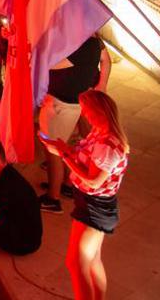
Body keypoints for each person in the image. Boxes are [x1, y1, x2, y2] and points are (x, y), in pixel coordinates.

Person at [42, 90, 129, 300]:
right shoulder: (99, 131)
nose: (85, 115)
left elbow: (93, 180)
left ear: (99, 112)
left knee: (76, 262)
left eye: (88, 111)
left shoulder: (108, 144)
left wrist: (63, 154)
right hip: (90, 203)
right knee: (92, 259)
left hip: (94, 207)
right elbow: (86, 161)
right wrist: (63, 149)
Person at [40, 34, 109, 213]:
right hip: (74, 101)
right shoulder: (94, 42)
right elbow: (106, 61)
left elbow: (49, 63)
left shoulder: (80, 46)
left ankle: (53, 198)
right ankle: (67, 184)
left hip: (62, 104)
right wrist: (102, 86)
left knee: (54, 149)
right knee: (64, 144)